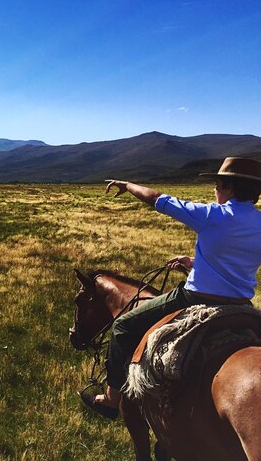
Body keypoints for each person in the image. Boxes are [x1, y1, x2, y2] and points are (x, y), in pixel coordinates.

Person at [81, 157, 261, 419]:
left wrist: (128, 185)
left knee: (123, 327)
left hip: (195, 299)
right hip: (242, 305)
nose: (214, 190)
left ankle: (110, 398)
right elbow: (236, 257)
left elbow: (157, 199)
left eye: (217, 185)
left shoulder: (212, 215)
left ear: (228, 187)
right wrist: (193, 261)